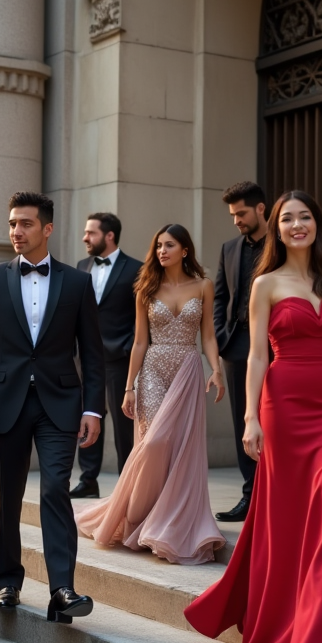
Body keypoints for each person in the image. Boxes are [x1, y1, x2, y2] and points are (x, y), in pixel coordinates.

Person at [184, 190, 322, 643]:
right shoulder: (265, 284)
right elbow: (257, 355)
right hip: (283, 404)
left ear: (317, 224)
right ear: (276, 229)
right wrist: (250, 417)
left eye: (305, 217)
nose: (297, 225)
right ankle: (301, 618)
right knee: (290, 514)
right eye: (287, 219)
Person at [0, 192, 104, 624]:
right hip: (7, 401)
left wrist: (93, 409)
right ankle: (8, 580)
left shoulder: (77, 283)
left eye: (25, 223)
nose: (16, 232)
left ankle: (62, 590)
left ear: (47, 228)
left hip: (60, 402)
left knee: (56, 487)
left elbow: (92, 354)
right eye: (12, 224)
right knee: (7, 495)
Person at [75, 225, 226, 564]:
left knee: (181, 448)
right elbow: (140, 341)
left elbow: (208, 335)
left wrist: (216, 369)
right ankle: (137, 514)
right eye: (158, 245)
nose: (161, 251)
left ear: (184, 250)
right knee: (154, 442)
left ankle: (166, 522)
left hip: (187, 368)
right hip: (153, 369)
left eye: (169, 245)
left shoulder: (203, 285)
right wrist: (129, 386)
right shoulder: (146, 288)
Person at [71, 212, 143, 498]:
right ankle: (88, 480)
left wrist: (128, 347)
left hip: (119, 359)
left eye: (91, 233)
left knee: (124, 424)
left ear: (109, 236)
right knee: (87, 417)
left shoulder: (136, 269)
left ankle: (128, 484)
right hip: (86, 359)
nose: (85, 238)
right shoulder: (82, 266)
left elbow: (142, 317)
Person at [213, 181, 269, 522]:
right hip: (237, 346)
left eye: (242, 213)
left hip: (274, 346)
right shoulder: (229, 248)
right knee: (243, 424)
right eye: (233, 215)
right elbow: (220, 297)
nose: (236, 220)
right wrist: (221, 338)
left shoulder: (282, 244)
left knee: (272, 422)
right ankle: (250, 496)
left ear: (261, 208)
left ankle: (273, 496)